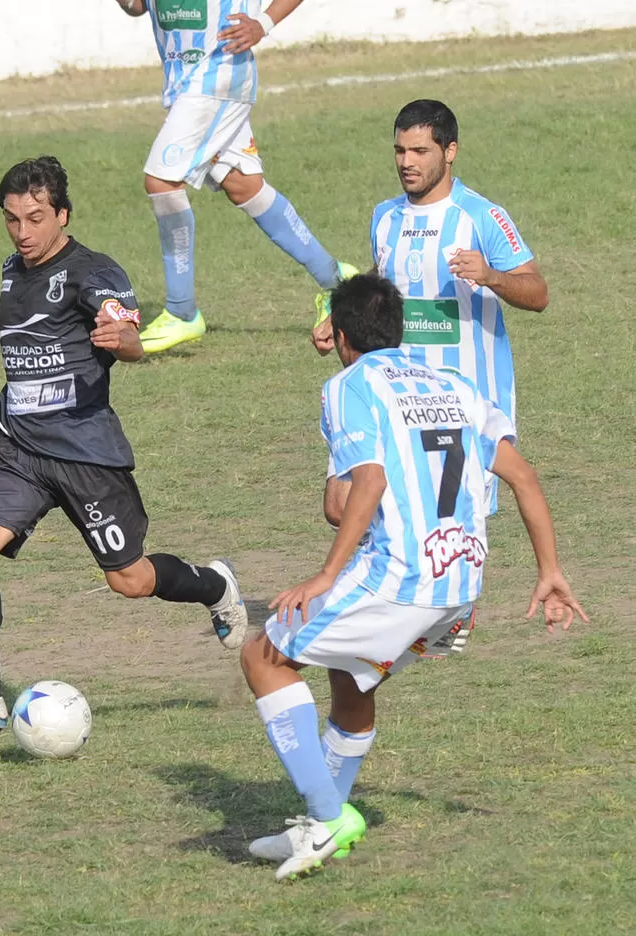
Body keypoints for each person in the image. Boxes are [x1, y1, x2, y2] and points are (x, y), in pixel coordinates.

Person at [241, 274, 587, 881]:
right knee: (353, 682)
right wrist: (550, 572)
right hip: (460, 583)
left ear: (343, 337)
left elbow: (366, 485)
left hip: (399, 578)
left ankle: (326, 820)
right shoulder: (454, 383)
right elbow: (525, 478)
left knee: (263, 654)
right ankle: (326, 817)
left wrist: (326, 575)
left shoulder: (348, 386)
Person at [0, 156, 247, 731]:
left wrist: (122, 337)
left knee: (130, 580)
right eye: (13, 219)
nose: (23, 232)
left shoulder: (93, 272)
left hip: (85, 455)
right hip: (17, 450)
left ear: (62, 215)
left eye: (36, 218)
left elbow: (131, 340)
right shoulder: (10, 271)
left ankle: (213, 584)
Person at [111, 0, 355, 353]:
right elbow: (142, 3)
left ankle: (182, 312)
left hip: (221, 79)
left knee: (161, 179)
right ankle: (338, 281)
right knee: (245, 187)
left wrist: (262, 24)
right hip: (183, 84)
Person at [312, 99, 548, 516]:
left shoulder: (482, 217)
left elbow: (537, 292)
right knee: (345, 507)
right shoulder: (384, 216)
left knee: (449, 516)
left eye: (420, 152)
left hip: (466, 397)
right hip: (398, 392)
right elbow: (385, 273)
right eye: (401, 151)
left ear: (450, 151)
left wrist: (493, 277)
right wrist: (342, 314)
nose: (407, 162)